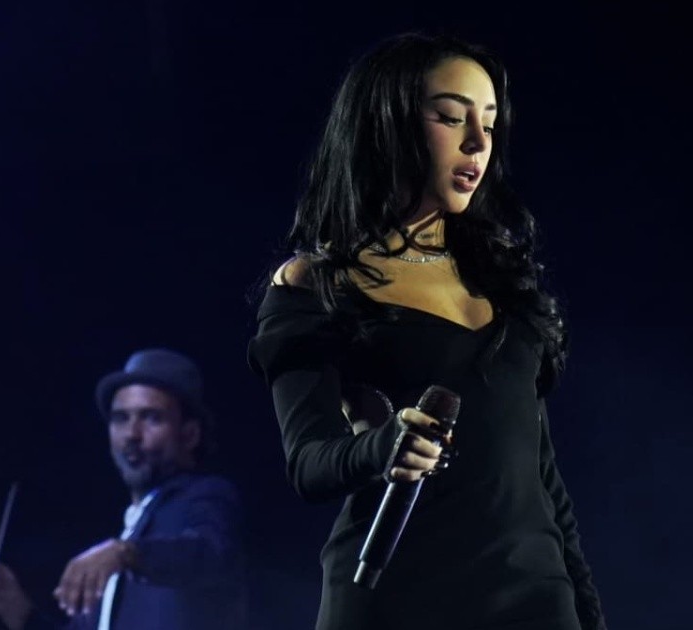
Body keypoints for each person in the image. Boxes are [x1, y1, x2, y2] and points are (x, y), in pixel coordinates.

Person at [247, 33, 607, 630]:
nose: (478, 143)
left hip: (533, 602)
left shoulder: (503, 281)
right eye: (450, 116)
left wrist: (588, 616)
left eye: (489, 123)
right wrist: (384, 446)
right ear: (386, 124)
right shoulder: (319, 284)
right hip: (397, 598)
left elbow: (542, 480)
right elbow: (309, 463)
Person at [0, 348, 246, 630]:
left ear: (189, 435)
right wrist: (17, 610)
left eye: (151, 418)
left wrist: (126, 553)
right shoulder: (130, 536)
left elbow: (210, 552)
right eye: (121, 418)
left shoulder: (206, 495)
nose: (131, 434)